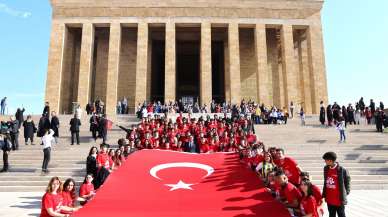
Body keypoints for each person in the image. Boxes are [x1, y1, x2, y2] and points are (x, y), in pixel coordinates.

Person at [322, 152, 351, 217]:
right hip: (329, 199)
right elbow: (325, 181)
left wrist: (346, 192)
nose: (325, 162)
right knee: (331, 215)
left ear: (330, 160)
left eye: (325, 160)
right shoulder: (326, 168)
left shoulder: (342, 170)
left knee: (341, 215)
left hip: (339, 200)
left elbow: (347, 181)